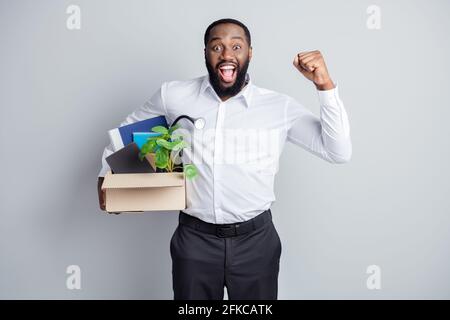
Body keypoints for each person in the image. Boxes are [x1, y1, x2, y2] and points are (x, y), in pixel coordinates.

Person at [97, 18, 352, 300]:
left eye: (236, 46)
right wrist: (108, 182)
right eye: (217, 47)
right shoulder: (174, 96)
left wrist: (325, 86)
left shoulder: (279, 107)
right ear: (205, 52)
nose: (227, 54)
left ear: (249, 53)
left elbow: (337, 151)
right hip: (194, 240)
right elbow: (127, 135)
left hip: (257, 241)